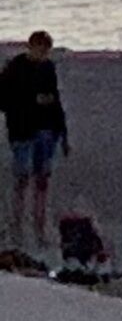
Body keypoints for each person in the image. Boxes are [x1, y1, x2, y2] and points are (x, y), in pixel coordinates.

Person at [1, 30, 64, 258]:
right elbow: (4, 99)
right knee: (22, 178)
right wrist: (30, 100)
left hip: (45, 129)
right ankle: (17, 223)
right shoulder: (14, 68)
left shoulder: (48, 68)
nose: (43, 54)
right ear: (31, 47)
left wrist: (61, 131)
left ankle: (39, 224)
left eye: (46, 51)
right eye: (40, 50)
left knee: (42, 179)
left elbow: (55, 99)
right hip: (22, 130)